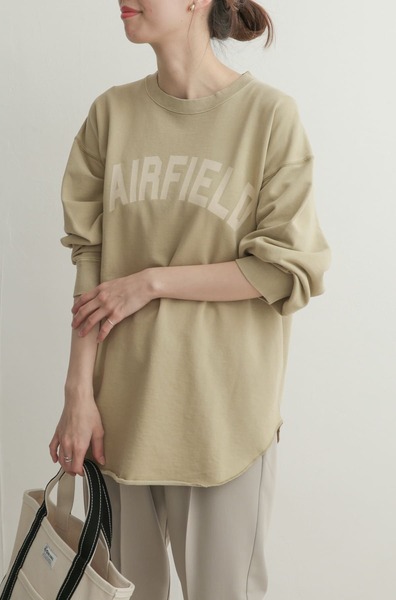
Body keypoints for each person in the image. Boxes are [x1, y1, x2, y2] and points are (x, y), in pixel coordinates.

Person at [49, 1, 331, 598]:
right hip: (119, 417)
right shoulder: (111, 114)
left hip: (222, 421)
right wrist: (78, 395)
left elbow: (284, 268)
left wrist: (151, 281)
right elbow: (89, 259)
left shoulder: (268, 117)